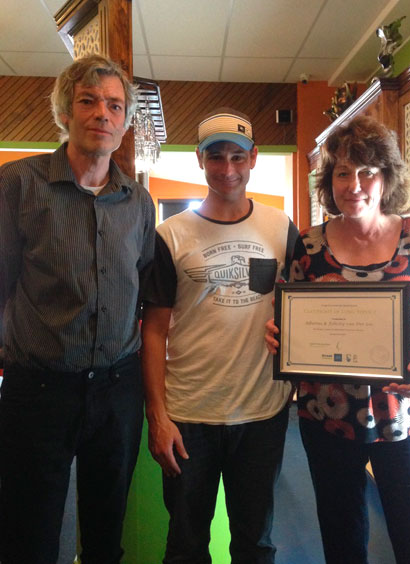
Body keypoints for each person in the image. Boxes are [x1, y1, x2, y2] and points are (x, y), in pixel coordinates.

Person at [266, 115, 410, 564]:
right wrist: (279, 335)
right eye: (342, 172)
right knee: (342, 542)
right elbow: (285, 317)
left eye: (367, 171)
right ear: (328, 181)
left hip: (408, 419)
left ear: (386, 178)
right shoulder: (307, 246)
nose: (354, 184)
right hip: (327, 420)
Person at [0, 54, 156, 564]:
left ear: (126, 121)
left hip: (117, 390)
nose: (102, 115)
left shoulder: (138, 202)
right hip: (37, 392)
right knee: (30, 533)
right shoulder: (18, 186)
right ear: (65, 111)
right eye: (88, 102)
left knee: (106, 533)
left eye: (114, 105)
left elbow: (145, 289)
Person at [142, 108, 298, 563]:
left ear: (253, 159)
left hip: (263, 412)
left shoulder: (282, 228)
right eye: (216, 157)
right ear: (199, 159)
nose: (227, 169)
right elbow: (153, 332)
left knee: (255, 542)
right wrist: (158, 416)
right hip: (190, 415)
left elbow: (304, 307)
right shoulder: (169, 235)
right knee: (187, 543)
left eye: (236, 156)